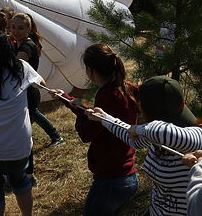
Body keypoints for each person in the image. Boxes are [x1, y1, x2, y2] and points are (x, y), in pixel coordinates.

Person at [84, 76, 202, 216]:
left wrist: (140, 129)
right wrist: (104, 118)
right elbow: (133, 138)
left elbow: (159, 131)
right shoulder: (154, 134)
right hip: (156, 211)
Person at [49, 43, 139, 216]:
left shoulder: (107, 96)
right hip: (127, 175)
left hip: (111, 180)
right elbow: (98, 117)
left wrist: (80, 115)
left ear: (90, 70)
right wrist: (67, 99)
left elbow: (86, 132)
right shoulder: (124, 87)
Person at [0, 30, 42, 216]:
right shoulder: (22, 68)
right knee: (21, 182)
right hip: (18, 144)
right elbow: (39, 82)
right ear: (8, 47)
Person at [10, 13, 64, 149]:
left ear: (28, 29)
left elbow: (18, 65)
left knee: (32, 114)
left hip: (29, 89)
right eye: (14, 27)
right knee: (31, 115)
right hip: (25, 88)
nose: (16, 31)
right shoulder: (20, 43)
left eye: (20, 28)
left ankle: (56, 136)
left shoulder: (26, 47)